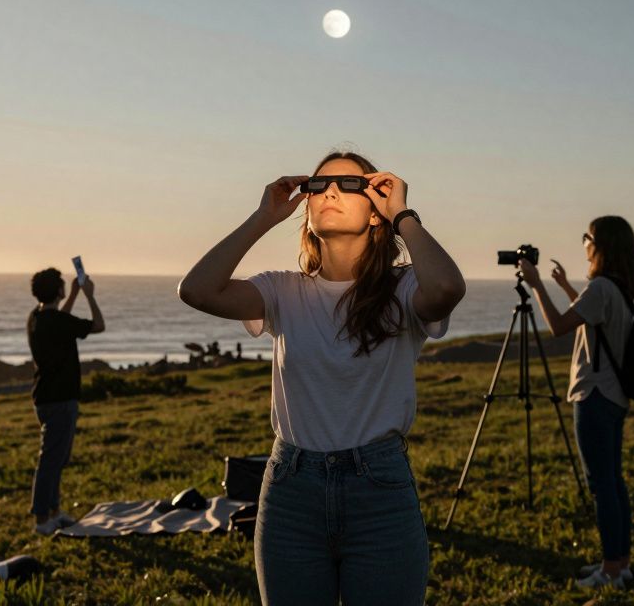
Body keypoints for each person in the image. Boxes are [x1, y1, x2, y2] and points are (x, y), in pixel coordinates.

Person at [178, 152, 465, 605]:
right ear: (306, 210)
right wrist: (263, 217)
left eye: (350, 184)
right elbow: (196, 290)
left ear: (375, 212)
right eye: (318, 185)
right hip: (291, 491)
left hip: (380, 490)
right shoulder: (280, 290)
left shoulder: (406, 288)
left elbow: (448, 288)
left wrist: (403, 215)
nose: (329, 191)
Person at [518, 216, 634, 590]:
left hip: (593, 394)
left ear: (600, 245)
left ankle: (609, 570)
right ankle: (620, 562)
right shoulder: (618, 288)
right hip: (615, 396)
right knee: (613, 480)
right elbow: (591, 315)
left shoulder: (601, 286)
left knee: (601, 484)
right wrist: (563, 285)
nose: (584, 242)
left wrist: (538, 284)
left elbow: (559, 326)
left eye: (587, 237)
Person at [26, 267, 105, 535]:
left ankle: (54, 512)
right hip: (61, 398)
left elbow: (61, 318)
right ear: (57, 290)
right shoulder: (58, 322)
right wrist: (89, 296)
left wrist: (72, 294)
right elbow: (98, 325)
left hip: (44, 397)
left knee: (56, 458)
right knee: (50, 460)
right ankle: (41, 519)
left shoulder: (36, 318)